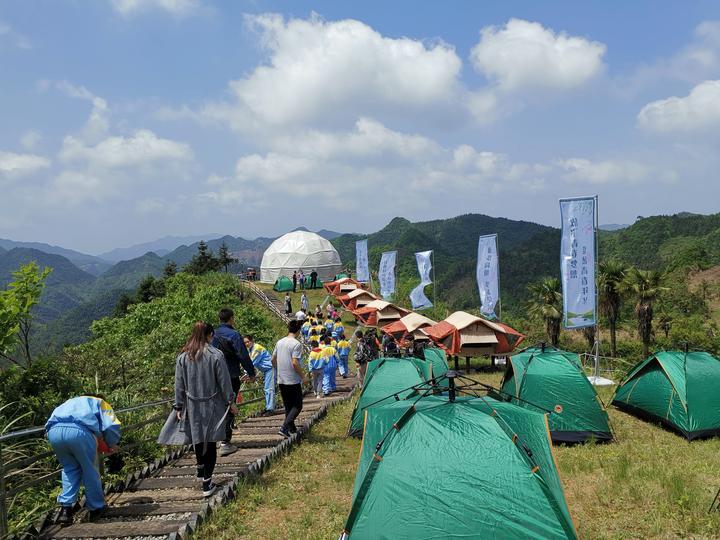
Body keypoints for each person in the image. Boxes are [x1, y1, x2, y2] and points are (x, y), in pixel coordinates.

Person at [159, 321, 236, 498]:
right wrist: (230, 402)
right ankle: (207, 483)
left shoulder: (183, 356)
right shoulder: (215, 355)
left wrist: (178, 405)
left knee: (198, 438)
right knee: (210, 442)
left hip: (191, 405)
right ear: (210, 335)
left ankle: (201, 470)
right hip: (212, 404)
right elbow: (224, 382)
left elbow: (179, 384)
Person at [46, 395, 122, 525]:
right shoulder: (100, 402)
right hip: (80, 432)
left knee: (69, 469)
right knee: (90, 469)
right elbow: (111, 424)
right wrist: (111, 443)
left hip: (54, 432)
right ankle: (96, 507)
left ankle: (65, 510)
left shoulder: (70, 401)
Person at [212, 308, 255, 456]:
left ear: (219, 319)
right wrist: (251, 373)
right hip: (231, 374)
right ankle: (225, 442)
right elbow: (243, 356)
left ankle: (214, 437)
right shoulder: (234, 335)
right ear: (231, 319)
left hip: (214, 376)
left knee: (217, 405)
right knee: (230, 405)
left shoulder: (213, 334)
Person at [271, 319, 306, 437]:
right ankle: (284, 427)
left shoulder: (279, 342)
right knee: (297, 405)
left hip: (281, 379)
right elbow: (295, 362)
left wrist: (279, 369)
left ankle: (292, 429)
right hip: (292, 379)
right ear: (298, 331)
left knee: (288, 405)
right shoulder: (296, 344)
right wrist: (303, 377)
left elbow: (273, 359)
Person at [244, 335, 276, 416]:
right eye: (245, 343)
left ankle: (270, 409)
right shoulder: (251, 350)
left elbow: (252, 361)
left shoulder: (257, 348)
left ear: (252, 340)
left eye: (248, 341)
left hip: (270, 368)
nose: (247, 344)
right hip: (266, 370)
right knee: (267, 388)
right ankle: (269, 407)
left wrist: (246, 373)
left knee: (269, 388)